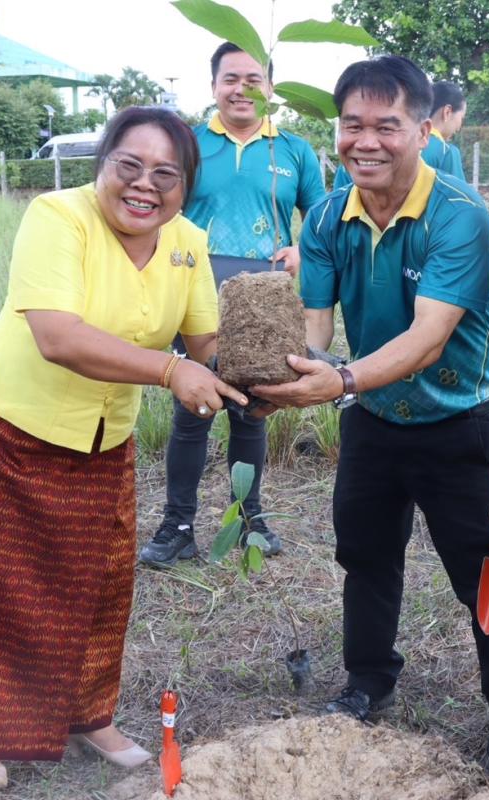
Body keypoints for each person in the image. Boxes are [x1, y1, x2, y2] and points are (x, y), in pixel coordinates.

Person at [0, 107, 247, 790]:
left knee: (102, 583)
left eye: (165, 174)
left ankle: (88, 715)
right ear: (102, 165)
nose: (145, 186)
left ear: (186, 186)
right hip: (13, 424)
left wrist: (270, 367)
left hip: (104, 435)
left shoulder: (188, 243)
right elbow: (58, 335)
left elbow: (207, 346)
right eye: (128, 166)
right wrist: (169, 372)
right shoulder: (59, 217)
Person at [253, 55, 489, 781]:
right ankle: (367, 679)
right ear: (337, 130)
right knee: (366, 556)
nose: (366, 142)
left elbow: (427, 336)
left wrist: (338, 377)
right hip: (373, 420)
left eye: (388, 125)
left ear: (422, 128)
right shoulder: (325, 217)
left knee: (480, 571)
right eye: (353, 125)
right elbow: (316, 327)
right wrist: (278, 376)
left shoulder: (460, 216)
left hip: (456, 424)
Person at [139, 42, 326, 566]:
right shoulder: (189, 144)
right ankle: (177, 526)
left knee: (252, 408)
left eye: (253, 79)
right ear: (213, 86)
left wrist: (300, 248)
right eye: (230, 79)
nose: (241, 89)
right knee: (194, 406)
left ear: (271, 87)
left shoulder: (292, 149)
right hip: (196, 291)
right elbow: (159, 208)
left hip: (264, 300)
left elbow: (321, 216)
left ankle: (251, 519)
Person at [332, 79, 467, 188]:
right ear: (447, 112)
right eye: (461, 117)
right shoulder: (446, 152)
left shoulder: (352, 158)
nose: (459, 127)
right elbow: (460, 203)